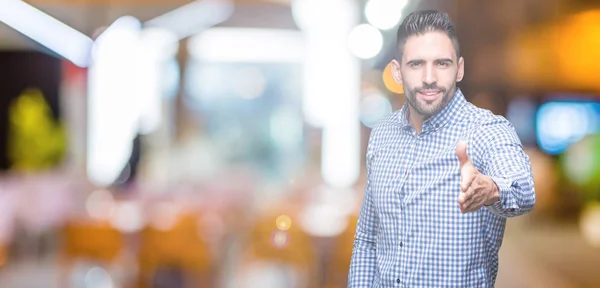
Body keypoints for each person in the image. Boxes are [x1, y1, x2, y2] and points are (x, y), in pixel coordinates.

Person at [348, 10, 535, 287]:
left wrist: (490, 189)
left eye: (442, 64)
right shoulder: (382, 135)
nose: (429, 77)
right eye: (416, 64)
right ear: (398, 71)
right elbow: (367, 238)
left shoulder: (486, 131)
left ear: (459, 68)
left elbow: (523, 189)